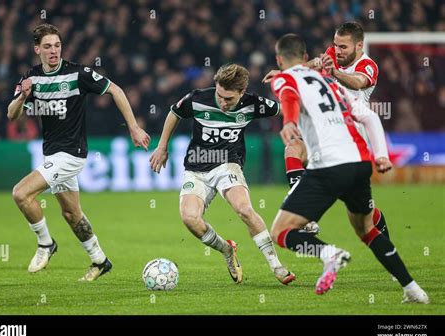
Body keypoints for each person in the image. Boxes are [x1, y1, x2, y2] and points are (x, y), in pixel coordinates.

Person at [268, 33, 429, 303]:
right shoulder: (332, 84)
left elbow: (289, 97)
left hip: (329, 165)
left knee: (281, 232)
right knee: (367, 229)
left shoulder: (283, 78)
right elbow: (369, 115)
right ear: (307, 58)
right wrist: (381, 155)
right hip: (360, 162)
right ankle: (413, 289)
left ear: (278, 60)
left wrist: (288, 122)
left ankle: (328, 254)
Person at [7, 24, 150, 281]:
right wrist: (22, 98)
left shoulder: (78, 73)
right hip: (51, 155)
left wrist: (134, 127)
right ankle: (100, 260)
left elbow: (115, 90)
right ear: (37, 49)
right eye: (48, 46)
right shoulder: (31, 77)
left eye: (58, 45)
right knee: (72, 213)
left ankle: (45, 244)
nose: (54, 51)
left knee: (21, 193)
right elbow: (11, 115)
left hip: (72, 154)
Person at [150, 64, 295, 285]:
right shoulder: (198, 98)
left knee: (244, 209)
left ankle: (277, 266)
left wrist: (293, 80)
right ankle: (227, 250)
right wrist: (162, 147)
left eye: (229, 99)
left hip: (228, 163)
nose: (223, 102)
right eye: (220, 95)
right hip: (197, 166)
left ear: (242, 93)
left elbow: (288, 107)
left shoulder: (253, 104)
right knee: (189, 218)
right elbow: (174, 113)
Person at [264, 22, 392, 267]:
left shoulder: (368, 65)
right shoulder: (333, 54)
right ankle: (308, 220)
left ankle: (384, 246)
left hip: (353, 138)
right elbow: (311, 65)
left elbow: (356, 82)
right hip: (325, 130)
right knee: (292, 147)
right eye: (335, 45)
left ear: (358, 46)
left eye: (343, 46)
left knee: (363, 213)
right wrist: (285, 75)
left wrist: (335, 73)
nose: (337, 50)